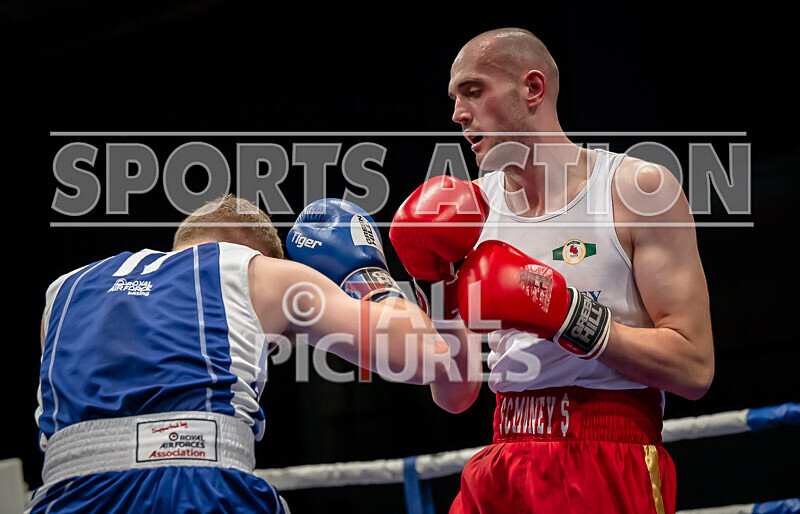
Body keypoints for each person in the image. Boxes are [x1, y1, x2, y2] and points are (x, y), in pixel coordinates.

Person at [390, 28, 714, 513]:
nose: (458, 114)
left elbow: (695, 367)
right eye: (454, 98)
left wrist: (568, 317)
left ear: (533, 89)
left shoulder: (636, 191)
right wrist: (433, 282)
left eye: (473, 91)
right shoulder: (473, 210)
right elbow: (455, 396)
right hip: (502, 454)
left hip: (608, 452)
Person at [31, 195, 449, 513]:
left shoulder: (64, 289)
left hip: (61, 495)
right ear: (257, 251)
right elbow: (424, 353)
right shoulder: (257, 269)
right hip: (195, 489)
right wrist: (367, 276)